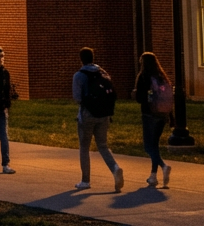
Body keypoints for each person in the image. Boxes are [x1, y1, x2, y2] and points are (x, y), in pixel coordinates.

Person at [73, 46, 123, 192]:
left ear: (81, 59)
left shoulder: (79, 75)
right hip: (104, 115)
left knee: (84, 147)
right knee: (103, 145)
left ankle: (85, 180)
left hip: (87, 115)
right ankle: (115, 168)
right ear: (93, 57)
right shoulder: (103, 73)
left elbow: (77, 98)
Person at [133, 52, 172, 189]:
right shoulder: (162, 77)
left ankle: (163, 165)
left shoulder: (143, 77)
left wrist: (136, 94)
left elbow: (140, 98)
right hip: (162, 114)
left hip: (149, 114)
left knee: (148, 147)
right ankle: (153, 176)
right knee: (154, 145)